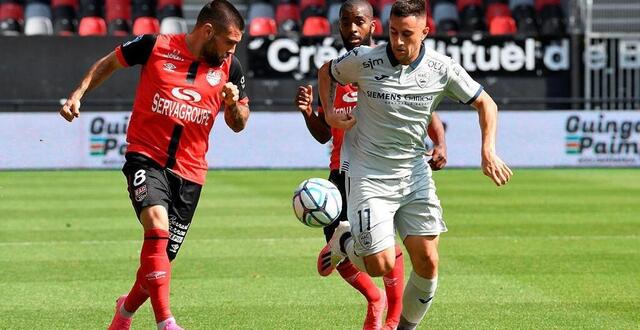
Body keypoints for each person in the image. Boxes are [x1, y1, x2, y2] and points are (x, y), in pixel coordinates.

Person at [317, 1, 513, 329]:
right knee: (378, 263)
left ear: (425, 32)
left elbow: (486, 103)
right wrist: (329, 112)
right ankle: (343, 242)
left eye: (407, 34)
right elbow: (326, 72)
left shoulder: (441, 68)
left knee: (428, 262)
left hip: (414, 172)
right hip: (368, 173)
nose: (398, 41)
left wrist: (488, 150)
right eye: (393, 32)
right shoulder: (364, 60)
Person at [59, 1, 249, 329]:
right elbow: (110, 63)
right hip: (145, 156)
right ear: (208, 31)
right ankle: (166, 321)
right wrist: (78, 93)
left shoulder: (231, 69)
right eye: (229, 42)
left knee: (159, 261)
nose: (232, 49)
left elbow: (240, 123)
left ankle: (125, 311)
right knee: (156, 224)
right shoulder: (154, 45)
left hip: (191, 172)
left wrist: (233, 106)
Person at [295, 2, 446, 330]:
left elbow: (424, 112)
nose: (351, 28)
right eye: (345, 22)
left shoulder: (386, 68)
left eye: (358, 22)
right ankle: (374, 298)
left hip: (380, 171)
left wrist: (440, 143)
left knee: (385, 247)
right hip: (340, 173)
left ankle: (392, 318)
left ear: (373, 26)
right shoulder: (337, 73)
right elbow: (324, 134)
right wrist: (310, 113)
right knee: (346, 252)